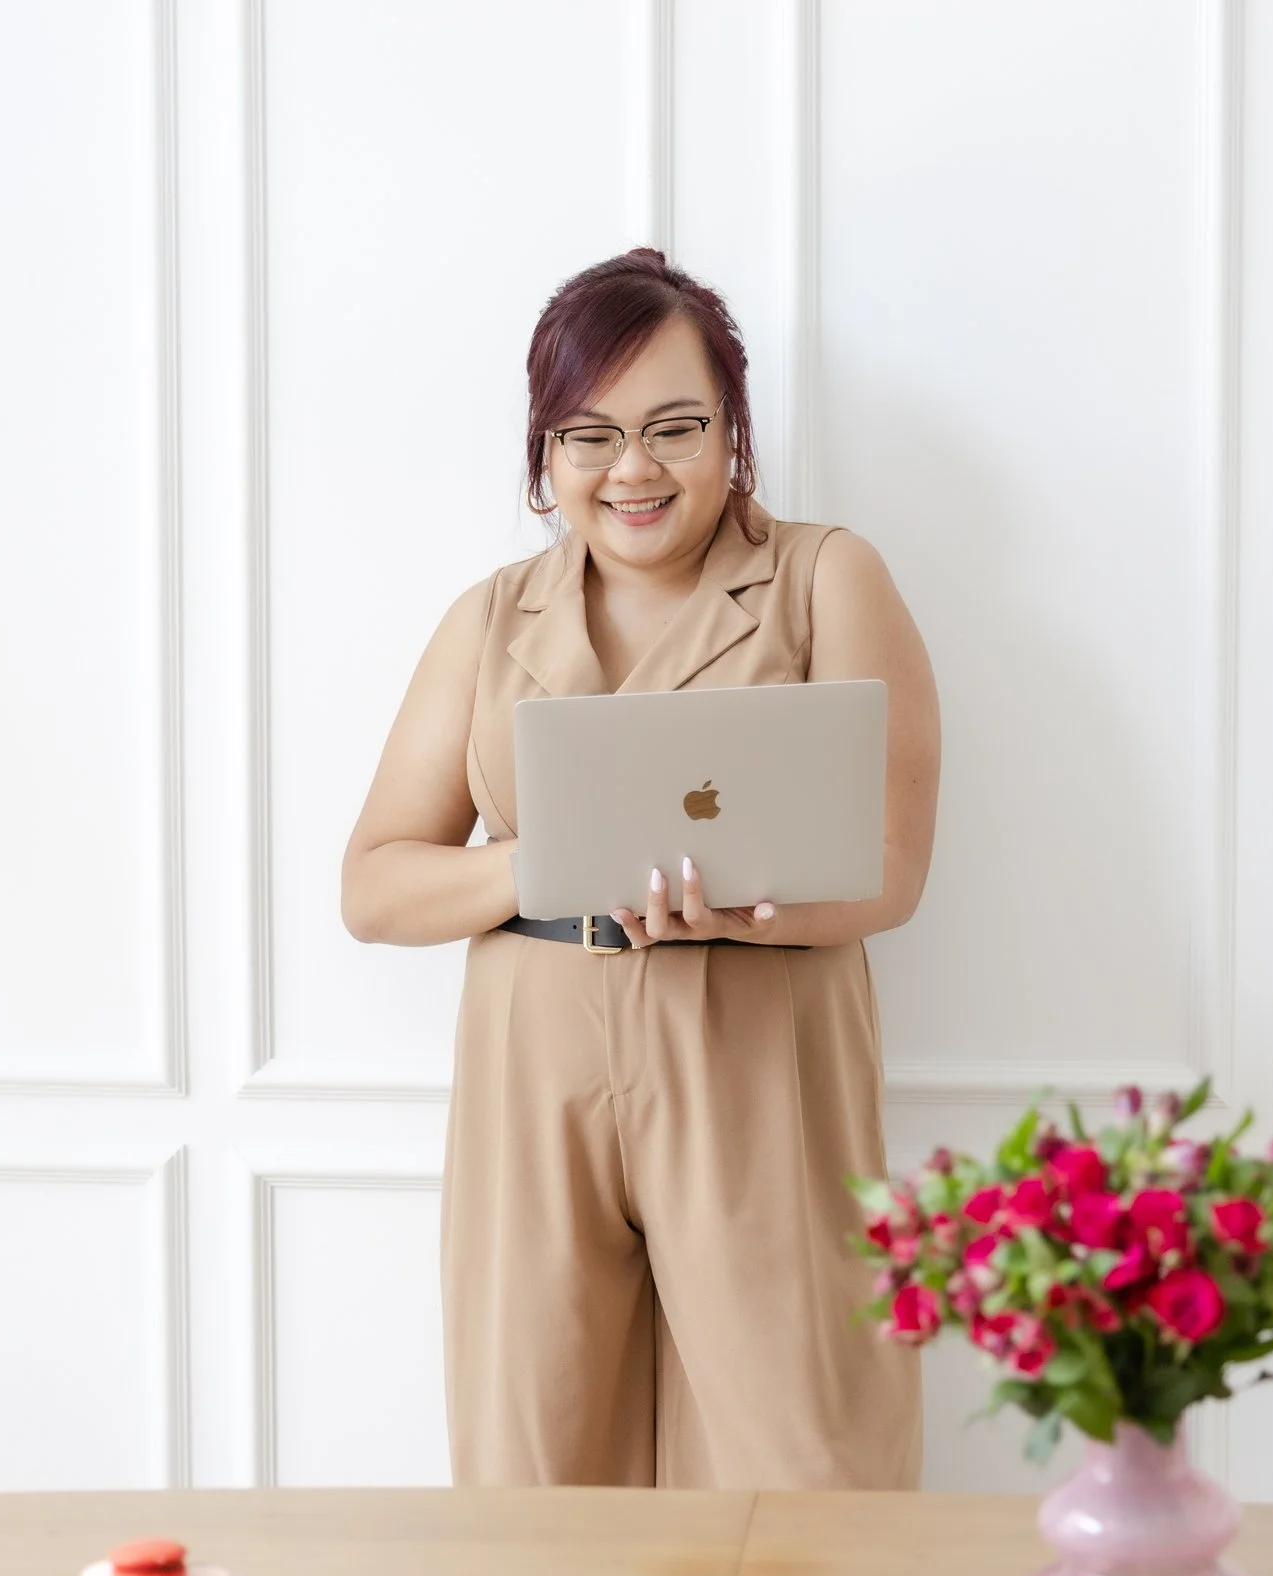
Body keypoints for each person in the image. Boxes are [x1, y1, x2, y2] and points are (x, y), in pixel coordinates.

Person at [341, 248, 940, 1489]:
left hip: (757, 1034)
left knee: (800, 1456)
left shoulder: (827, 577)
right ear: (544, 454)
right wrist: (547, 862)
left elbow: (892, 867)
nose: (633, 468)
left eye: (676, 426)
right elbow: (377, 882)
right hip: (537, 1051)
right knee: (532, 1461)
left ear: (735, 433)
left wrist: (739, 904)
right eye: (589, 434)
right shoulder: (489, 617)